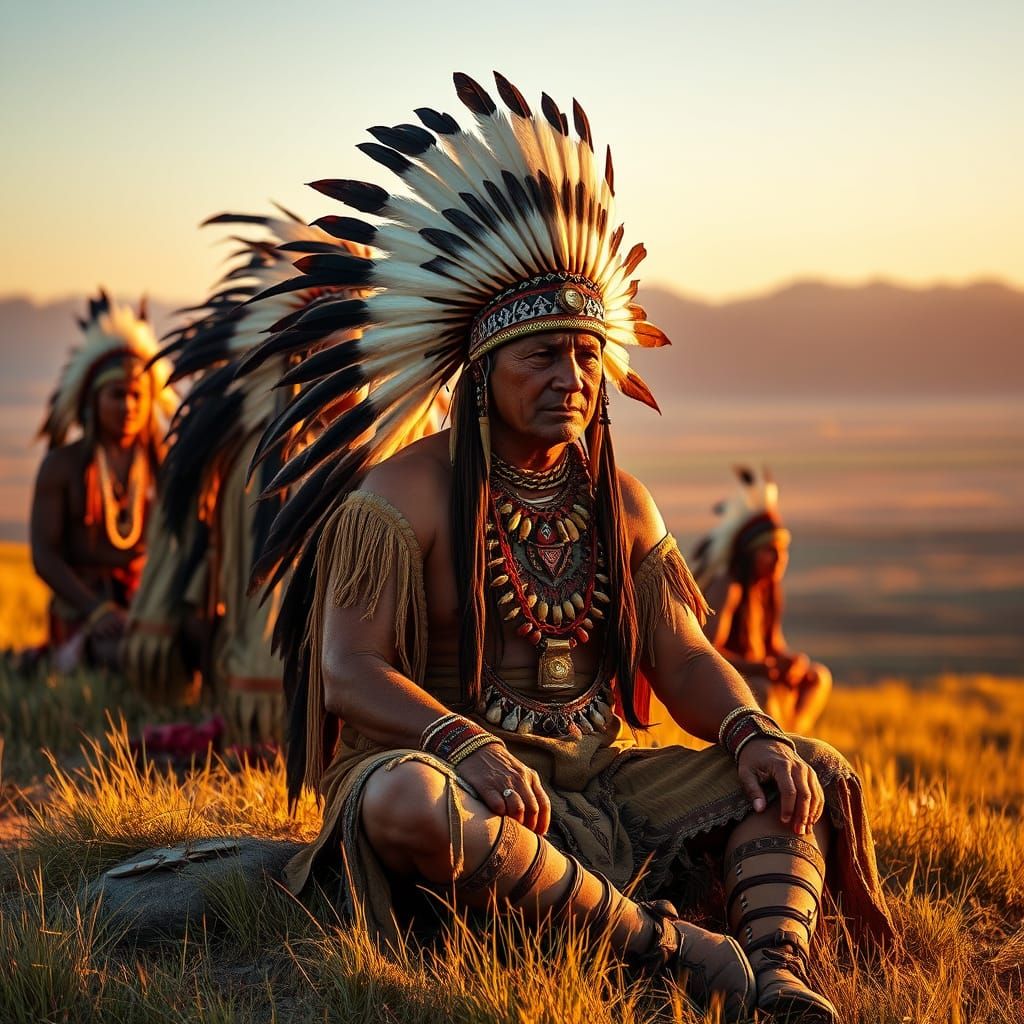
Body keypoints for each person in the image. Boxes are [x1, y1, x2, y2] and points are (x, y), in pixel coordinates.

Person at [243, 73, 893, 1021]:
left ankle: (779, 971)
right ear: (481, 373)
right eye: (542, 355)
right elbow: (347, 673)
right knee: (404, 810)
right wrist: (460, 740)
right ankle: (658, 947)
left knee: (802, 771)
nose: (573, 377)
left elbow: (682, 655)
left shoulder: (622, 503)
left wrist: (752, 730)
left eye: (587, 355)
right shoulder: (399, 496)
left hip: (593, 772)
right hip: (437, 769)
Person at [123, 208, 373, 749]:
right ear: (302, 359)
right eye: (329, 352)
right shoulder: (261, 457)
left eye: (358, 351)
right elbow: (231, 557)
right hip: (258, 670)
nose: (347, 368)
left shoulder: (385, 454)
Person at [31, 291, 175, 671]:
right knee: (125, 656)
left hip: (147, 600)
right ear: (92, 401)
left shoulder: (165, 462)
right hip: (85, 606)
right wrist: (96, 610)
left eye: (135, 396)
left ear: (149, 401)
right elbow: (44, 555)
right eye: (116, 395)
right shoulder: (62, 466)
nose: (128, 407)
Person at [692, 468, 833, 735]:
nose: (780, 559)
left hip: (757, 673)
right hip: (729, 682)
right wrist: (761, 668)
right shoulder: (728, 587)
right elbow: (708, 653)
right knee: (765, 692)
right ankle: (780, 745)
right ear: (749, 554)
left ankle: (793, 740)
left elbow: (774, 645)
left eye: (783, 551)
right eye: (770, 551)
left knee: (817, 677)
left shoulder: (767, 591)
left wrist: (790, 662)